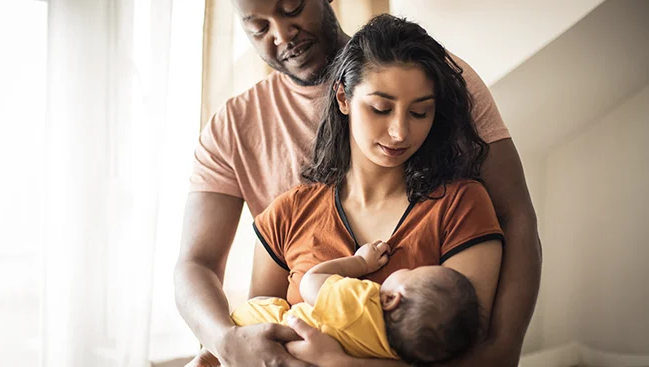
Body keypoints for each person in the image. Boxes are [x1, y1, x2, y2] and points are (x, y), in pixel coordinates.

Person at [175, 1, 541, 366]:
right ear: (343, 99)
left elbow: (516, 218)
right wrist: (224, 343)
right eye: (258, 27)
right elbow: (257, 330)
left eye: (419, 112)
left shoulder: (458, 203)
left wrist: (503, 353)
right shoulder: (286, 206)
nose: (399, 131)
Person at [230, 240, 484, 365]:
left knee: (266, 303)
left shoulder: (362, 304)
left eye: (411, 272)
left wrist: (360, 263)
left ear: (391, 299)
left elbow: (311, 283)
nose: (406, 268)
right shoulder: (393, 353)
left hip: (260, 327)